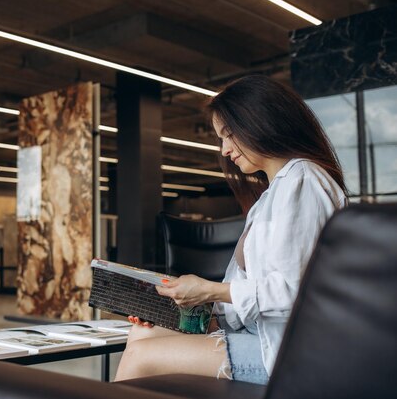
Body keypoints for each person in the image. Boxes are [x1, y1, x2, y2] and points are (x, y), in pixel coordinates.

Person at [114, 75, 348, 385]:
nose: (224, 150)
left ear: (260, 121)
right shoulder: (272, 194)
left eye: (229, 134)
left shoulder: (301, 181)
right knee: (142, 333)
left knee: (142, 356)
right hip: (263, 337)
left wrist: (210, 290)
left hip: (294, 354)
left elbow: (293, 291)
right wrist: (189, 313)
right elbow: (252, 300)